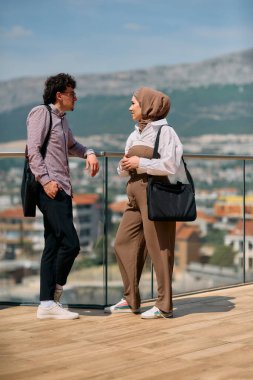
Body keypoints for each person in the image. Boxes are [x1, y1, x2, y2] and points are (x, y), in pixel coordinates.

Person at [104, 87, 183, 319]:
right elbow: (122, 168)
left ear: (148, 105)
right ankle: (131, 299)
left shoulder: (166, 132)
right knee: (123, 242)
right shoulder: (135, 134)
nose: (130, 108)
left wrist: (140, 163)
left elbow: (171, 166)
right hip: (133, 195)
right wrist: (125, 165)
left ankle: (164, 305)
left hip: (155, 193)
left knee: (160, 249)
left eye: (133, 103)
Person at [27, 73, 100, 320]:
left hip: (63, 189)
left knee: (53, 244)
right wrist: (46, 181)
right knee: (71, 243)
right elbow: (33, 151)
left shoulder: (62, 121)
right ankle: (54, 295)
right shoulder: (42, 114)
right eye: (72, 93)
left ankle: (46, 303)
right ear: (60, 95)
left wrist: (89, 152)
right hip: (51, 189)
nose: (75, 98)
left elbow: (72, 146)